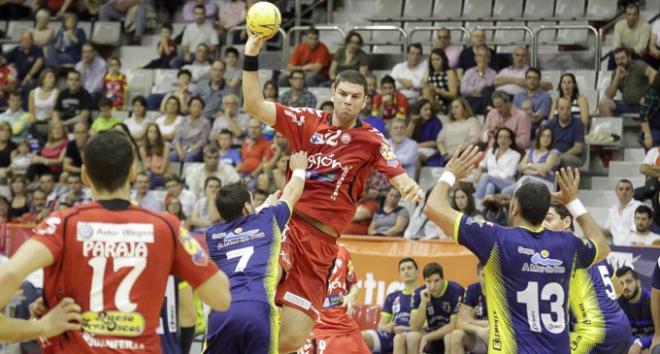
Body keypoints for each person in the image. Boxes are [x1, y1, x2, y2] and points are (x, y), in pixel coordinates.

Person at [243, 32, 423, 352]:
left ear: (364, 101)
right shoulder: (306, 120)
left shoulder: (372, 140)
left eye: (355, 96)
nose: (348, 101)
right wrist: (251, 53)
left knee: (291, 339)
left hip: (322, 245)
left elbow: (398, 174)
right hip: (289, 225)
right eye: (343, 94)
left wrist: (408, 186)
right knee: (267, 278)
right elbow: (253, 104)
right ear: (332, 93)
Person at [0, 130, 231, 349]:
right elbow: (221, 298)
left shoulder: (61, 224)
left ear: (84, 175)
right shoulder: (166, 227)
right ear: (132, 172)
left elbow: (9, 273)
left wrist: (38, 327)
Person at [423, 144, 610, 352]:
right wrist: (573, 202)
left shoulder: (498, 240)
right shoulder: (566, 243)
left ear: (513, 208)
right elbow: (602, 247)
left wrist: (449, 174)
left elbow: (433, 207)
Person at [204, 151, 308, 354]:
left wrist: (264, 205)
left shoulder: (212, 235)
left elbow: (240, 223)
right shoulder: (268, 219)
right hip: (257, 308)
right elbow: (292, 193)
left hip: (221, 312)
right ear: (245, 207)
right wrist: (300, 170)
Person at [542, 202, 633, 354]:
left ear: (566, 222)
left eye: (549, 219)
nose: (543, 224)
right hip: (621, 327)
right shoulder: (592, 249)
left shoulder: (561, 250)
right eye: (541, 220)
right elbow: (618, 289)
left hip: (595, 332)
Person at [299, 245, 370, 354]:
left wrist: (350, 296)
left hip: (344, 323)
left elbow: (353, 285)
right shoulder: (303, 250)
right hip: (316, 324)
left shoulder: (343, 251)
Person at [362, 258, 418, 353]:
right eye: (403, 269)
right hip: (390, 335)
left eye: (409, 268)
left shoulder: (423, 294)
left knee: (399, 339)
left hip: (410, 334)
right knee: (361, 336)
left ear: (417, 272)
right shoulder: (392, 296)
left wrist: (406, 329)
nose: (406, 271)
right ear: (400, 275)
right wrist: (388, 327)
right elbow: (381, 326)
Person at [406, 262, 464, 354]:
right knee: (412, 337)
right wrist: (423, 303)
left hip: (448, 333)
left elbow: (453, 325)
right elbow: (414, 327)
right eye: (429, 281)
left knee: (449, 337)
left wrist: (427, 337)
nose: (432, 286)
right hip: (432, 330)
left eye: (436, 281)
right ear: (424, 281)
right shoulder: (419, 293)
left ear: (443, 279)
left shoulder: (456, 291)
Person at [500, 126, 559, 197]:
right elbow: (520, 167)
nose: (545, 139)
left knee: (506, 192)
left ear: (551, 139)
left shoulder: (553, 152)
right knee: (505, 192)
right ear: (539, 137)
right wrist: (534, 168)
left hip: (543, 184)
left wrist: (528, 167)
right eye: (543, 136)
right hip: (527, 181)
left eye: (548, 136)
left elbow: (546, 168)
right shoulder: (530, 151)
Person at [599, 47, 657, 117]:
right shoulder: (616, 72)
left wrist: (649, 96)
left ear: (629, 57)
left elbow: (654, 74)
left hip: (643, 105)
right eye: (617, 59)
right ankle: (611, 127)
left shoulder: (638, 65)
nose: (620, 61)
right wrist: (617, 78)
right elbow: (609, 95)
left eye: (622, 58)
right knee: (603, 104)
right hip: (627, 105)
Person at [446, 263, 488, 354]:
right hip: (480, 334)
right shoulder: (472, 290)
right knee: (456, 335)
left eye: (490, 275)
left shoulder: (503, 291)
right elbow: (459, 323)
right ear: (478, 276)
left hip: (498, 336)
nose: (487, 279)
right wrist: (479, 329)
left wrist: (472, 321)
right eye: (483, 275)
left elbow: (503, 324)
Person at [474, 127, 522, 201]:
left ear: (511, 141)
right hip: (489, 181)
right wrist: (479, 170)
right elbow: (482, 164)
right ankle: (484, 209)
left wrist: (488, 177)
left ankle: (476, 202)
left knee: (486, 177)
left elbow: (508, 174)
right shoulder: (491, 152)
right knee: (490, 186)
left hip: (507, 184)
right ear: (497, 140)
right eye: (500, 137)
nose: (503, 140)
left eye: (506, 137)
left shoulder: (515, 155)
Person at [617, 266, 655, 354]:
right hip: (631, 345)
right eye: (621, 284)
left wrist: (640, 344)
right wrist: (635, 344)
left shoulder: (653, 301)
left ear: (638, 282)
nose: (625, 287)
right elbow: (619, 333)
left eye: (628, 282)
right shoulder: (618, 304)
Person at [544, 97, 585, 168]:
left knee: (559, 160)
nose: (565, 112)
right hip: (552, 154)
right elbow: (543, 142)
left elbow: (578, 148)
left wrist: (560, 155)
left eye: (568, 108)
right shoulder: (551, 123)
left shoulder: (578, 123)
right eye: (562, 109)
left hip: (571, 156)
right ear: (557, 110)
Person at [610, 2, 650, 69]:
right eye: (629, 14)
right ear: (625, 15)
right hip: (622, 52)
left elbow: (641, 47)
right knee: (612, 56)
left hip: (637, 54)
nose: (632, 17)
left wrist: (628, 53)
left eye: (634, 14)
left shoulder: (645, 26)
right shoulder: (619, 25)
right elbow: (616, 45)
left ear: (638, 15)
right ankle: (611, 77)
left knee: (645, 58)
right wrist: (622, 54)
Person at [171, 96, 210, 162]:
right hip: (181, 148)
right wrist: (180, 152)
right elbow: (177, 139)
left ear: (202, 109)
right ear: (189, 108)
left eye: (199, 107)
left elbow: (203, 141)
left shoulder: (205, 122)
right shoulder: (183, 120)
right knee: (172, 156)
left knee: (189, 157)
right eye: (194, 106)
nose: (196, 108)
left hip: (195, 149)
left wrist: (188, 151)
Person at [606, 179, 643, 246]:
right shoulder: (612, 210)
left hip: (633, 247)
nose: (624, 191)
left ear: (632, 192)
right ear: (616, 192)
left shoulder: (639, 207)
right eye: (621, 189)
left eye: (627, 189)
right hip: (616, 249)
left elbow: (639, 230)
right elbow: (608, 230)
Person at [461, 46, 497, 115]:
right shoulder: (469, 72)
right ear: (475, 58)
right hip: (471, 100)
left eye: (486, 56)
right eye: (480, 56)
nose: (483, 59)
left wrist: (480, 73)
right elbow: (463, 90)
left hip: (484, 101)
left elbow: (487, 90)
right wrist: (476, 91)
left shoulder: (493, 73)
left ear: (489, 59)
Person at [27, 68, 58, 133]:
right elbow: (31, 112)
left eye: (54, 77)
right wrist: (35, 123)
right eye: (50, 77)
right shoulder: (33, 93)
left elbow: (54, 112)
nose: (53, 79)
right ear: (43, 79)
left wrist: (45, 121)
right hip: (35, 122)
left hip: (49, 123)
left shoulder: (57, 93)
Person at [141, 123, 170, 188]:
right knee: (142, 180)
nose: (153, 134)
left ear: (158, 134)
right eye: (150, 132)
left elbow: (162, 171)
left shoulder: (165, 148)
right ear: (147, 134)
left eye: (155, 132)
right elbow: (145, 167)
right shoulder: (143, 149)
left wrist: (150, 169)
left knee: (150, 181)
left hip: (164, 176)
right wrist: (148, 170)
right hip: (149, 175)